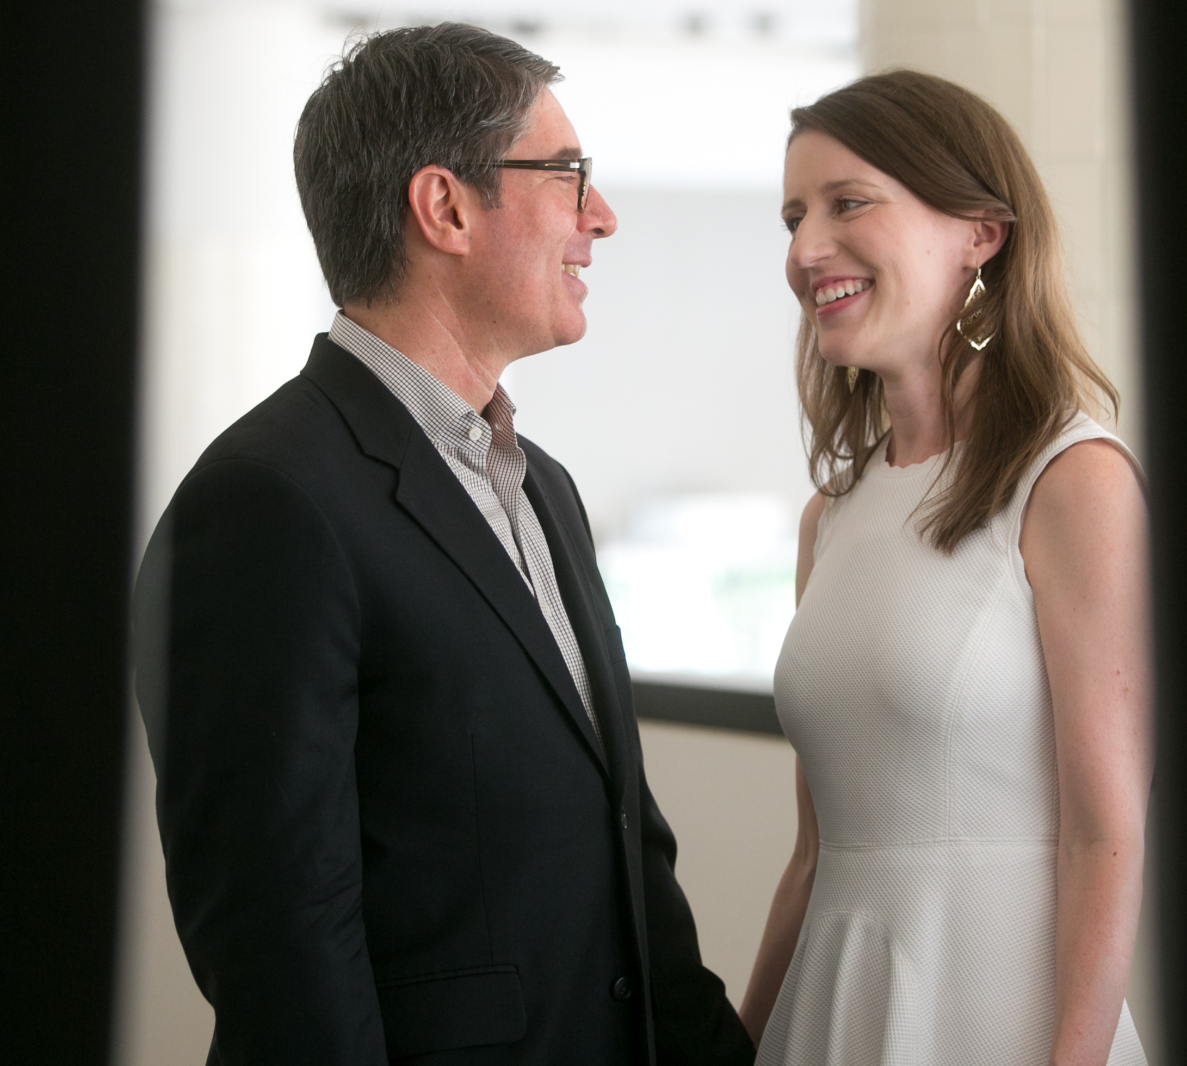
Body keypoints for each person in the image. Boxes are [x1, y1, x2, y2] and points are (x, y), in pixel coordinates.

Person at [133, 24, 754, 1066]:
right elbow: (282, 942)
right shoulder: (264, 502)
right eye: (568, 175)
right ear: (446, 208)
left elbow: (624, 854)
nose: (601, 216)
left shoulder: (542, 486)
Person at [738, 71, 1152, 1065]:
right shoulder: (829, 518)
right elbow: (813, 855)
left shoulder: (1072, 481)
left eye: (848, 204)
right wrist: (738, 1043)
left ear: (981, 233)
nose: (804, 250)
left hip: (1002, 1017)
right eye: (794, 217)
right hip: (833, 1008)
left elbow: (1105, 836)